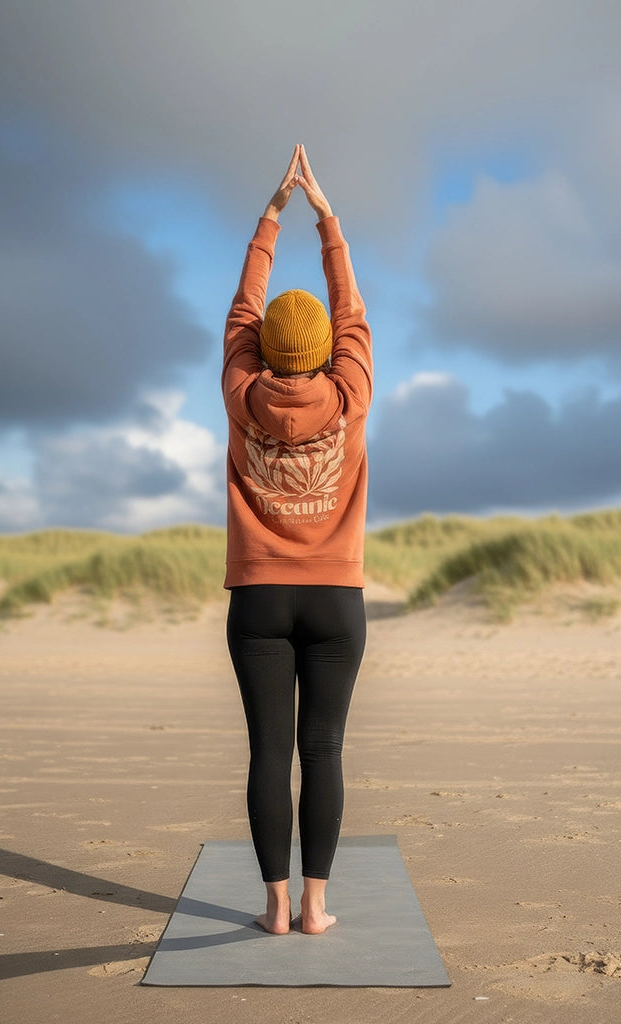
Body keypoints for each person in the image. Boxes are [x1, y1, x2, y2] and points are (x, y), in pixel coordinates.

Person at [222, 144, 372, 935]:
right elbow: (351, 314)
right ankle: (316, 907)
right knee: (324, 752)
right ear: (323, 356)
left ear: (264, 353)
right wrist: (326, 218)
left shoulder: (241, 391)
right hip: (336, 599)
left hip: (258, 598)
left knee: (267, 754)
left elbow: (244, 313)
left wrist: (270, 216)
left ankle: (273, 909)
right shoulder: (350, 392)